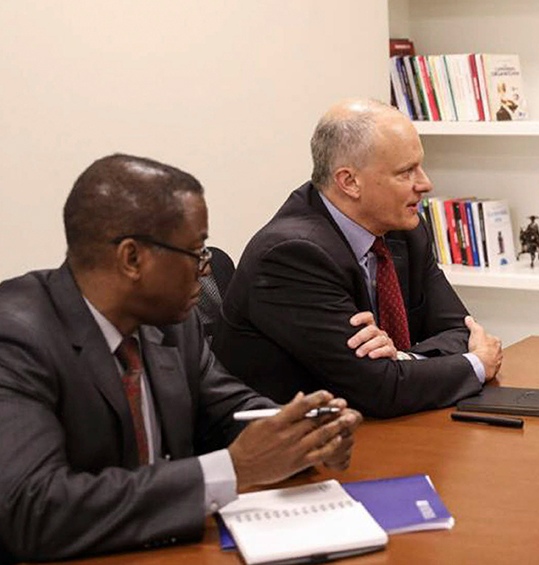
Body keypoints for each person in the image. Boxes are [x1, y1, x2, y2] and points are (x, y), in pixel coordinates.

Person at [0, 154, 363, 563]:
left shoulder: (171, 323)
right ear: (132, 258)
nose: (206, 272)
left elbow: (230, 411)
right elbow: (32, 510)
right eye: (196, 252)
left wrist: (305, 433)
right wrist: (233, 469)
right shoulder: (16, 337)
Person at [213, 99, 503, 418]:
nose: (425, 184)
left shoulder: (404, 230)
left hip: (375, 428)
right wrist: (476, 364)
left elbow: (462, 331)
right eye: (406, 172)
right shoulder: (292, 254)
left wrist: (403, 361)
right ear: (349, 181)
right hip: (298, 450)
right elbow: (380, 389)